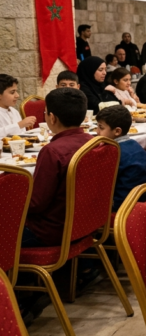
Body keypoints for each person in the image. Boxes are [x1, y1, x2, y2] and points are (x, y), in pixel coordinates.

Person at [21, 88, 92, 247]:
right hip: (85, 223)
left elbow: (36, 204)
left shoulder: (52, 151)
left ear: (51, 118)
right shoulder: (93, 141)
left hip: (50, 231)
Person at [95, 105, 146, 211]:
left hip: (119, 206)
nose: (97, 132)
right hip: (141, 202)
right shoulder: (137, 146)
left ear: (117, 131)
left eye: (101, 128)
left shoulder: (112, 153)